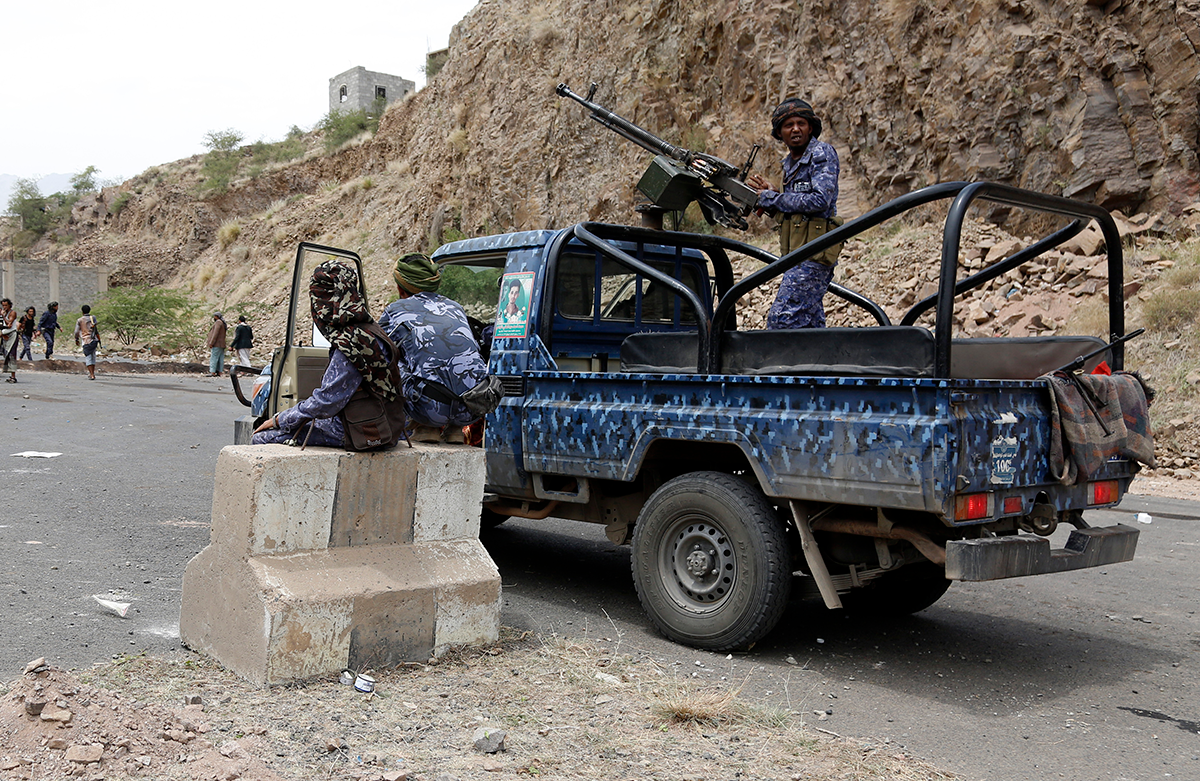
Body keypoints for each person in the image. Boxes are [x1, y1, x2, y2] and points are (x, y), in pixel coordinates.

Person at [253, 260, 400, 448]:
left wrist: (280, 419)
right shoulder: (371, 330)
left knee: (262, 438)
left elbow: (327, 401)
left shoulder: (352, 342)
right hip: (383, 422)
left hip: (363, 430)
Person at [747, 97, 842, 329]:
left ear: (811, 128)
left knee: (783, 320)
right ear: (779, 132)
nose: (796, 129)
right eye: (789, 125)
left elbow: (820, 201)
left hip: (813, 253)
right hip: (796, 253)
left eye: (801, 123)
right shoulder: (790, 163)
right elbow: (795, 209)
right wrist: (774, 196)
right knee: (809, 323)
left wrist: (774, 197)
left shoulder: (821, 154)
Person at [378, 252, 492, 443]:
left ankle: (424, 427)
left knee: (392, 360)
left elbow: (377, 351)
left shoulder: (396, 310)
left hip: (430, 409)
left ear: (400, 287)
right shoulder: (455, 307)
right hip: (473, 408)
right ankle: (455, 430)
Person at [74, 304, 102, 380]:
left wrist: (76, 339)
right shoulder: (93, 318)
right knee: (93, 356)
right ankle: (92, 373)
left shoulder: (80, 320)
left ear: (82, 312)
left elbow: (76, 332)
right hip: (94, 339)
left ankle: (91, 374)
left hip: (86, 340)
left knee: (88, 357)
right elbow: (95, 328)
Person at [205, 312, 227, 377]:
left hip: (217, 344)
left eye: (215, 316)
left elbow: (215, 333)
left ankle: (212, 372)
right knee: (220, 358)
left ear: (217, 316)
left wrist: (211, 342)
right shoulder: (222, 323)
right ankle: (219, 371)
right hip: (221, 344)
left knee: (214, 358)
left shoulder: (218, 322)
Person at [0, 299, 17, 382]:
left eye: (6, 305)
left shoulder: (12, 313)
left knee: (12, 355)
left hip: (12, 335)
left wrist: (3, 316)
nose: (4, 307)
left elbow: (9, 325)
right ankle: (10, 375)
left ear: (9, 305)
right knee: (6, 355)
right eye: (3, 305)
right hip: (6, 335)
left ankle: (13, 376)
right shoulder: (5, 313)